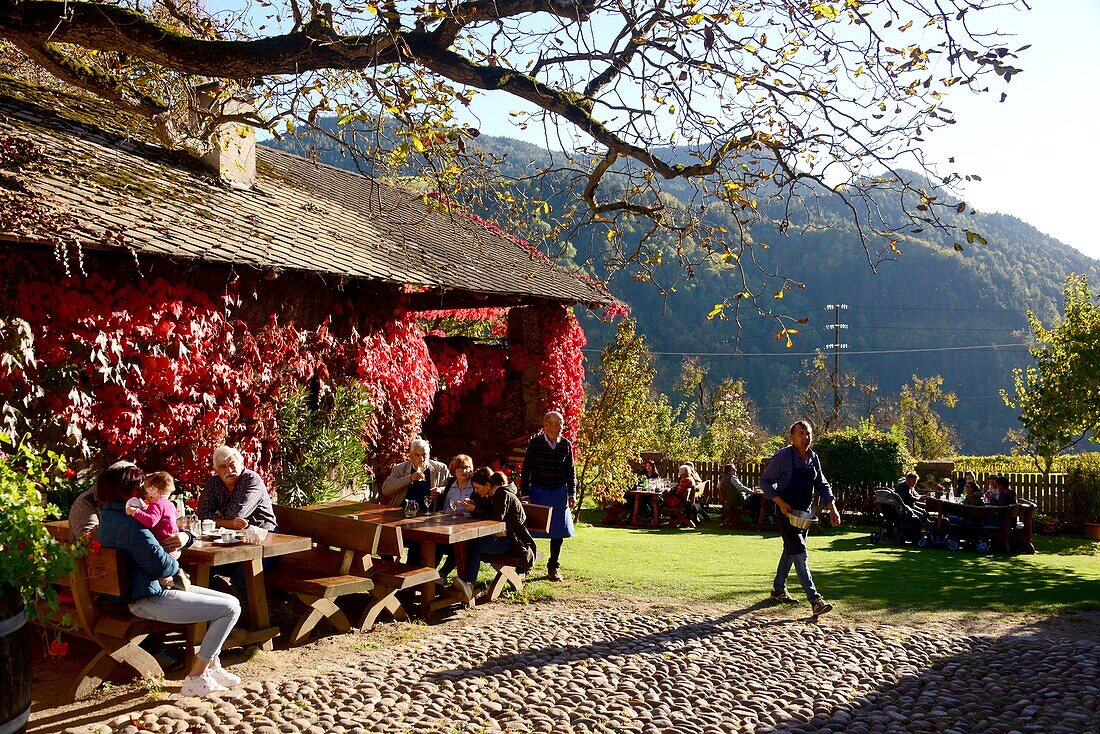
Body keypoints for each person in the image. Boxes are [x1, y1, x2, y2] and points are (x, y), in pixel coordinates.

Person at [94, 462, 242, 698]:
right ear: (125, 492)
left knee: (229, 603)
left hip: (138, 591)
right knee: (229, 609)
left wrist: (183, 539)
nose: (143, 491)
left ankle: (212, 667)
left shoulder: (110, 518)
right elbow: (163, 565)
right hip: (147, 597)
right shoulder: (132, 525)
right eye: (138, 486)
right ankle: (196, 677)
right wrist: (175, 556)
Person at [759, 420, 842, 617]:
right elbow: (765, 482)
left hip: (804, 514)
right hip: (786, 513)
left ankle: (778, 589)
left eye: (808, 433)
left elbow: (822, 484)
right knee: (800, 552)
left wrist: (833, 508)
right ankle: (815, 600)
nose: (806, 437)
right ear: (792, 437)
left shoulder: (813, 458)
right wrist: (780, 502)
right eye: (801, 433)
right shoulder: (783, 457)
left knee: (790, 550)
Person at [454, 469, 537, 600]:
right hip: (506, 539)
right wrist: (475, 506)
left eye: (477, 488)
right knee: (466, 543)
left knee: (475, 545)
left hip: (515, 545)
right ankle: (462, 582)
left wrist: (475, 510)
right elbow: (490, 513)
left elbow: (497, 520)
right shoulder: (495, 494)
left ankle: (469, 585)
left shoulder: (502, 494)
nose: (475, 491)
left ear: (488, 485)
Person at [520, 411, 576, 582]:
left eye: (562, 423)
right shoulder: (535, 444)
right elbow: (526, 470)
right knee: (529, 528)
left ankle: (553, 566)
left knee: (558, 531)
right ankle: (525, 563)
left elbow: (570, 472)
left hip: (559, 491)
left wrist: (571, 493)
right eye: (557, 423)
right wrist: (526, 494)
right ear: (547, 425)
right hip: (538, 490)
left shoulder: (565, 445)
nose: (561, 426)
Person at [198, 446, 277, 532]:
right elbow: (203, 516)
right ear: (216, 470)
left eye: (232, 465)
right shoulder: (214, 482)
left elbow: (237, 513)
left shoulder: (251, 479)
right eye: (223, 467)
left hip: (264, 534)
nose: (229, 470)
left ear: (241, 465)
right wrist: (230, 523)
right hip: (232, 535)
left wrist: (217, 519)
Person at [433, 454, 475, 582]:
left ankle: (443, 574)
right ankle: (426, 574)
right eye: (460, 468)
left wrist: (465, 514)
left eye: (467, 468)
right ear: (454, 470)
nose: (464, 471)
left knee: (458, 545)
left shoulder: (475, 485)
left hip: (468, 525)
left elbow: (479, 510)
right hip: (449, 523)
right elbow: (446, 506)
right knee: (436, 543)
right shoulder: (451, 483)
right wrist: (443, 512)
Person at [380, 439, 450, 509]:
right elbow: (386, 490)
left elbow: (453, 487)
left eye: (424, 455)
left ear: (429, 455)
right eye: (417, 455)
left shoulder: (441, 469)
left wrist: (440, 491)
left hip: (429, 513)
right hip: (403, 510)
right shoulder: (400, 469)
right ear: (410, 455)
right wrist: (409, 478)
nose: (421, 458)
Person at [718, 463, 754, 528]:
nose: (735, 471)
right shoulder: (732, 478)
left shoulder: (723, 479)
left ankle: (726, 522)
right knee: (756, 499)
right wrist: (752, 492)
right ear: (729, 471)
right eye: (733, 469)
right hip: (738, 502)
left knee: (751, 497)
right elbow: (741, 487)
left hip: (730, 502)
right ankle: (755, 521)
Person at [666, 463, 701, 529]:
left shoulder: (685, 480)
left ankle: (677, 521)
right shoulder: (690, 478)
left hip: (681, 502)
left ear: (683, 473)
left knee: (665, 499)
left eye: (679, 471)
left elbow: (679, 492)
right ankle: (675, 521)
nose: (678, 472)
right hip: (686, 501)